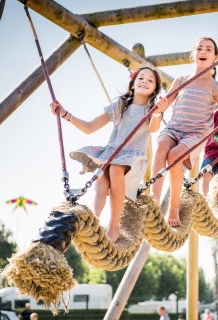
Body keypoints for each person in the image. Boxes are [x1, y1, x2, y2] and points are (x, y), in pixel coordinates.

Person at [50, 67, 165, 243]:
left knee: (115, 170)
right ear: (133, 84)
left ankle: (114, 227)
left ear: (155, 90)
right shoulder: (119, 107)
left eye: (150, 80)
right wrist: (65, 114)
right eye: (141, 77)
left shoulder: (152, 109)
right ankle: (93, 220)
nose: (145, 81)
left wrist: (157, 112)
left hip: (133, 158)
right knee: (102, 179)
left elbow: (154, 128)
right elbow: (89, 127)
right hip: (112, 154)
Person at [151, 36, 218, 226]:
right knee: (161, 146)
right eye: (199, 48)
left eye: (208, 49)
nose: (203, 51)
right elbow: (164, 106)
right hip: (174, 128)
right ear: (193, 55)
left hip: (196, 133)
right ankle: (153, 198)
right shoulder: (180, 81)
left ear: (215, 58)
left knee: (175, 156)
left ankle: (174, 207)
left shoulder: (215, 87)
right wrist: (159, 107)